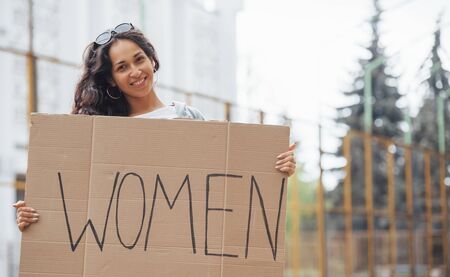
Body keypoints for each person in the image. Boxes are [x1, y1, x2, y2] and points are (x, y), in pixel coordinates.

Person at [13, 23, 296, 231]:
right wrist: (34, 218)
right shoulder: (101, 133)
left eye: (139, 60)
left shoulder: (187, 117)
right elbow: (73, 203)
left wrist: (276, 166)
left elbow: (231, 177)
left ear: (152, 61)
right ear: (111, 79)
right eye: (122, 67)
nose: (135, 72)